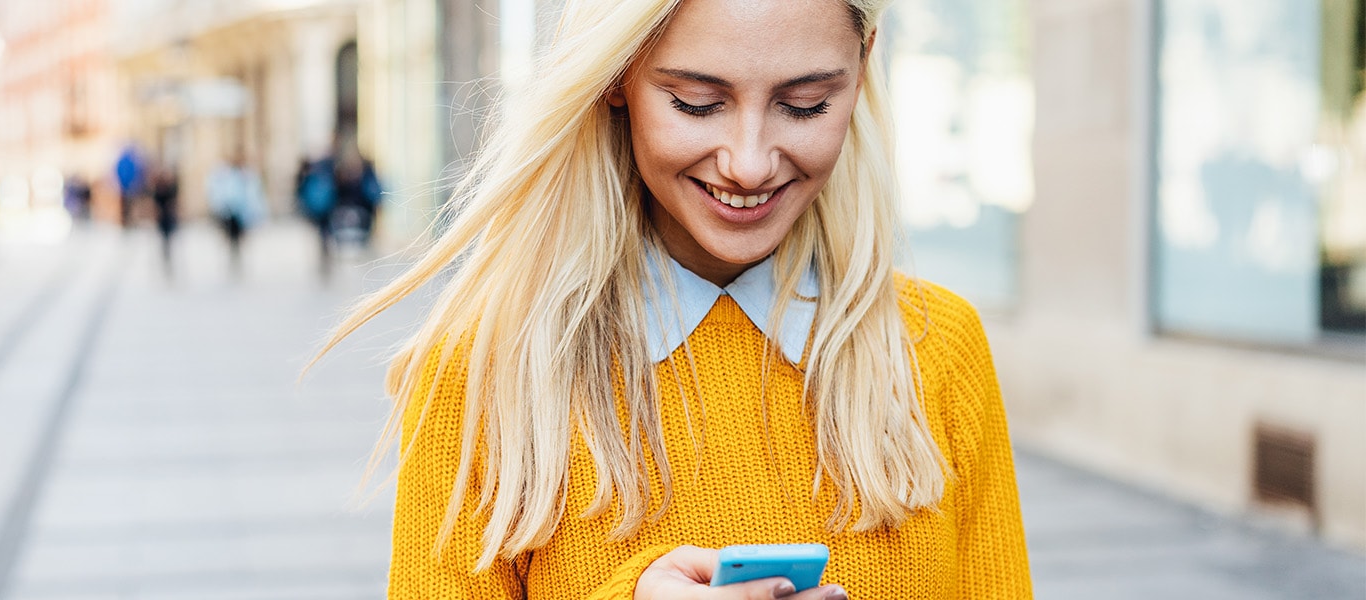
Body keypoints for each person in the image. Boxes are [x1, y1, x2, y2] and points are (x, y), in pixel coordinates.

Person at [318, 0, 1032, 597]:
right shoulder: (484, 367)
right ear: (616, 77)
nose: (748, 162)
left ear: (864, 64)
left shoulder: (938, 346)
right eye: (698, 102)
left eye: (805, 104)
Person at [207, 152, 267, 277]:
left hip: (239, 214)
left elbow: (252, 196)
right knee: (231, 240)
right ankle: (233, 263)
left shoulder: (246, 176)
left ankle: (237, 263)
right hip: (229, 213)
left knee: (237, 240)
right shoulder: (225, 175)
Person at [149, 167, 180, 276]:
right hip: (162, 220)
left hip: (169, 219)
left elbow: (174, 202)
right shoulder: (157, 189)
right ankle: (164, 261)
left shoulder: (171, 189)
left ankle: (169, 262)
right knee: (163, 241)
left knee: (169, 241)